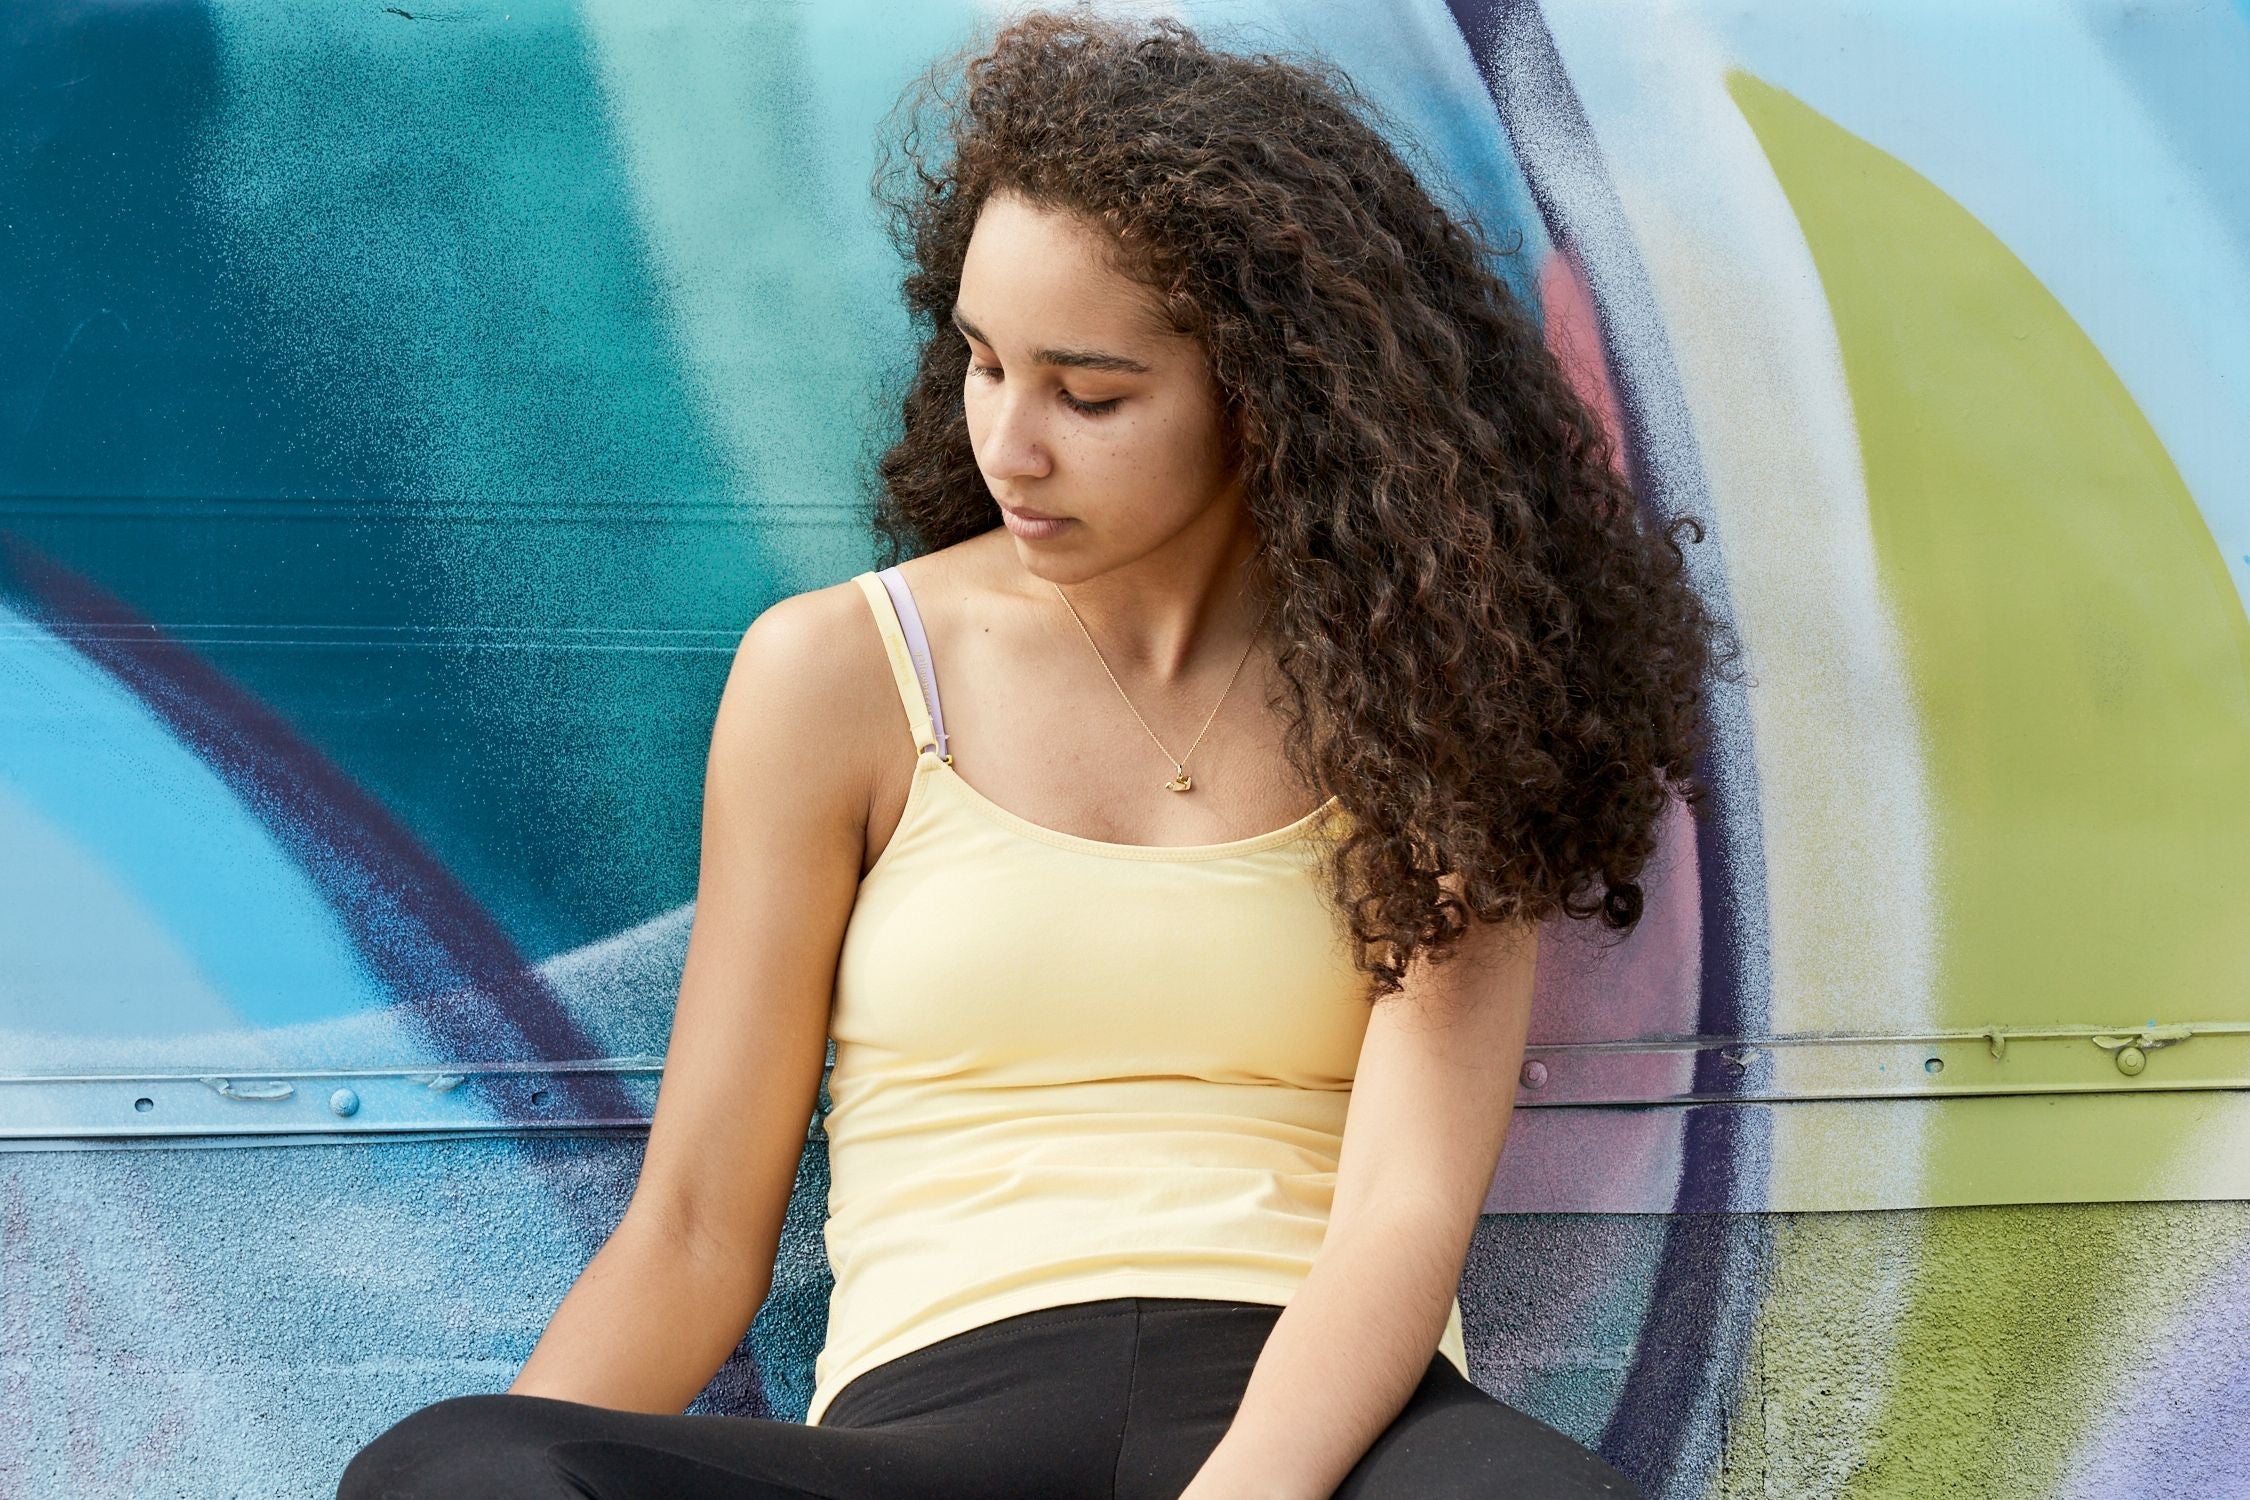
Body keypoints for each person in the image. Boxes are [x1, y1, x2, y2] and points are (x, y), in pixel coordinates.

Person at [339, 8, 1725, 1497]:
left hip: (1333, 1426)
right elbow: (690, 1230)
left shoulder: (1439, 691)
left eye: (1092, 393)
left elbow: (1400, 1214)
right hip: (941, 1422)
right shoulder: (841, 674)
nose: (1008, 440)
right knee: (455, 1469)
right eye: (983, 363)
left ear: (1271, 397)